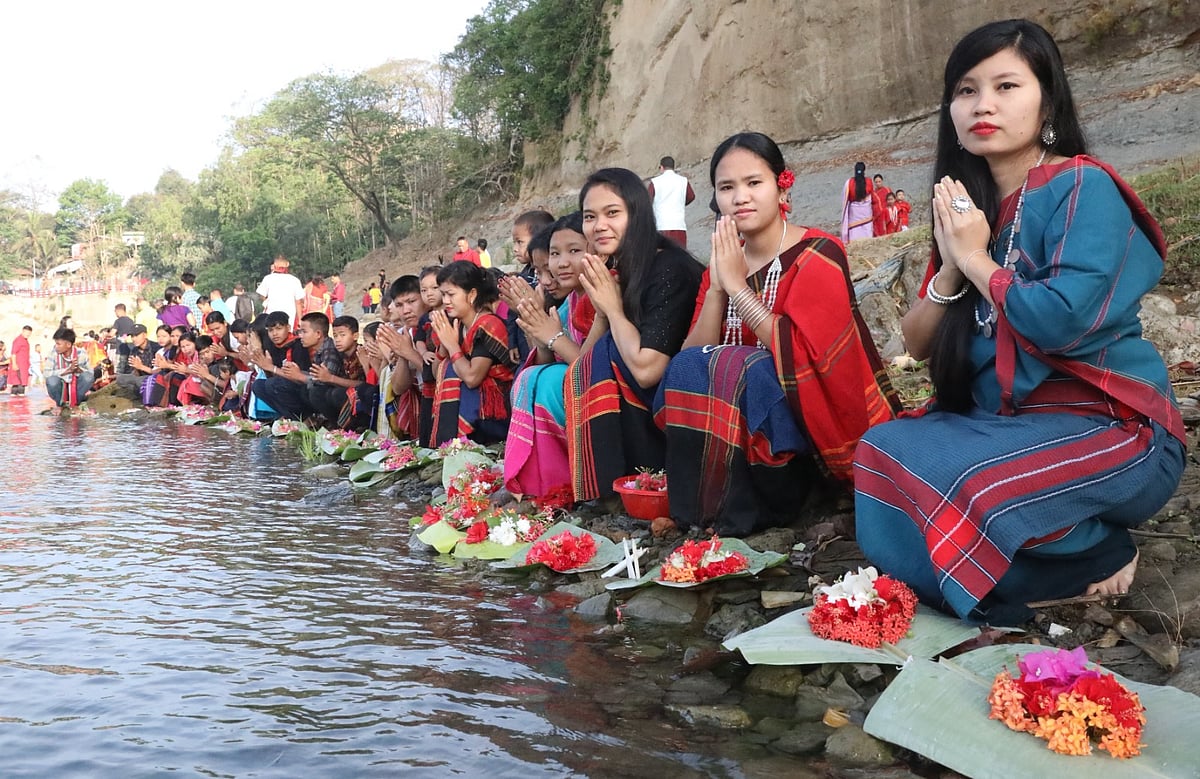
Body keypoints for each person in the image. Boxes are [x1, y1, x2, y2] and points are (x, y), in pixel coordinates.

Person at [853, 18, 1186, 627]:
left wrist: (979, 259)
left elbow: (1059, 323)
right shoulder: (965, 210)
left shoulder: (1082, 186)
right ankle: (1024, 557)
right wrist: (953, 268)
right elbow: (919, 344)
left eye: (1006, 86)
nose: (984, 105)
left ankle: (1095, 548)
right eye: (966, 90)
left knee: (965, 482)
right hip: (1004, 428)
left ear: (1047, 100)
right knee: (882, 449)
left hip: (1114, 432)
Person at [655, 133, 901, 536]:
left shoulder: (818, 253)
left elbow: (808, 357)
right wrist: (718, 286)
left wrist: (738, 288)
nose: (740, 198)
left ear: (781, 184)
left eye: (754, 183)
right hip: (740, 437)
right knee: (689, 366)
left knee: (747, 365)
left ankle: (783, 498)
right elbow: (690, 360)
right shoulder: (723, 263)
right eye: (727, 188)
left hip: (811, 438)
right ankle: (709, 502)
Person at [566, 168, 705, 502]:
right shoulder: (622, 269)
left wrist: (613, 310)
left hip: (679, 410)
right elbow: (580, 371)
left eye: (612, 213)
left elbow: (648, 370)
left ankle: (634, 475)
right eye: (590, 216)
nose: (599, 226)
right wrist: (603, 311)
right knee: (596, 357)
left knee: (611, 351)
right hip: (650, 394)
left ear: (638, 214)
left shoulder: (668, 268)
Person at [505, 212, 597, 498]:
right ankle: (537, 479)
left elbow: (590, 365)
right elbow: (545, 358)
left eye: (572, 252)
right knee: (531, 375)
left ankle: (558, 482)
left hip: (594, 387)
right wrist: (538, 327)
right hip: (571, 381)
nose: (546, 280)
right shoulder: (569, 301)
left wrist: (552, 334)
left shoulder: (597, 297)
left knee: (543, 380)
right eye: (538, 272)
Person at [429, 261, 516, 445]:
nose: (445, 301)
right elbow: (437, 372)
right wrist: (444, 345)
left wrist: (453, 346)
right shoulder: (458, 324)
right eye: (443, 294)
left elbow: (471, 377)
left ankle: (456, 443)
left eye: (451, 294)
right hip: (476, 411)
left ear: (472, 294)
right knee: (447, 365)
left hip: (495, 412)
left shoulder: (487, 325)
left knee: (454, 367)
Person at [254, 312, 341, 421]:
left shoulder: (326, 349)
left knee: (311, 390)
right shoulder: (274, 347)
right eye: (270, 330)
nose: (300, 335)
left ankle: (326, 422)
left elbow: (324, 381)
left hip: (324, 392)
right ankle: (293, 418)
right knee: (259, 385)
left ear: (318, 334)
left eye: (304, 332)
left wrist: (275, 369)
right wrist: (266, 367)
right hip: (307, 386)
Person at [648, 155, 697, 248]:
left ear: (661, 167)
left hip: (661, 226)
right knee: (680, 256)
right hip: (679, 225)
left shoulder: (655, 182)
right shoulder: (683, 181)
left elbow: (648, 201)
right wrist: (681, 203)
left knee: (662, 256)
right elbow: (691, 196)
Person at [44, 328, 93, 407]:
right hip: (60, 388)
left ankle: (76, 402)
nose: (56, 346)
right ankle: (60, 404)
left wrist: (78, 370)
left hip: (77, 388)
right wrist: (68, 370)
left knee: (88, 377)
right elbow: (46, 374)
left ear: (68, 345)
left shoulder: (81, 353)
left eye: (58, 344)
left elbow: (91, 374)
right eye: (55, 344)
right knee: (51, 380)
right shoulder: (53, 353)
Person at [256, 255, 305, 326]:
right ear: (287, 264)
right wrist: (300, 319)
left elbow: (262, 295)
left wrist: (266, 301)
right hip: (288, 316)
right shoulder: (295, 280)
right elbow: (298, 302)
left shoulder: (268, 279)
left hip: (271, 315)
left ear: (274, 265)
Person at [115, 324, 160, 392]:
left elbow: (158, 372)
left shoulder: (155, 347)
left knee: (140, 382)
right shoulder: (134, 350)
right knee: (120, 379)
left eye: (136, 335)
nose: (134, 339)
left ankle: (141, 390)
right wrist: (135, 369)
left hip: (153, 378)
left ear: (145, 335)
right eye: (132, 336)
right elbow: (134, 372)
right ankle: (139, 390)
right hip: (140, 377)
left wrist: (141, 366)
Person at [840, 161, 875, 242]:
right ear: (864, 170)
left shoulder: (849, 182)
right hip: (866, 210)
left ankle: (852, 243)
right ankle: (868, 243)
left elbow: (845, 197)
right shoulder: (869, 181)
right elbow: (871, 195)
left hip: (854, 211)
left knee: (855, 230)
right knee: (866, 229)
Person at [6, 325, 31, 395]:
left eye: (29, 333)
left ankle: (18, 402)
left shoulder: (25, 340)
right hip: (18, 365)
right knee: (18, 382)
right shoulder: (18, 340)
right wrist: (14, 364)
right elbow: (13, 353)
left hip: (23, 365)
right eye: (26, 333)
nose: (27, 334)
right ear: (23, 331)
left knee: (20, 382)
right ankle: (17, 403)